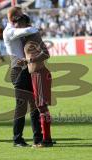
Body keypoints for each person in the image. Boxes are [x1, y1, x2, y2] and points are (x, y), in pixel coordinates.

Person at [3, 7, 42, 147]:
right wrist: (35, 28)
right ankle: (17, 139)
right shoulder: (9, 31)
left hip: (25, 69)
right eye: (20, 15)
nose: (22, 17)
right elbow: (27, 31)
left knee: (34, 105)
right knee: (21, 107)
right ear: (14, 18)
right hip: (18, 71)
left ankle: (38, 138)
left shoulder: (14, 29)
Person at [15, 14, 53, 147]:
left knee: (42, 107)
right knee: (41, 106)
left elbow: (46, 53)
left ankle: (47, 140)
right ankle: (46, 138)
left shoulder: (34, 36)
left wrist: (29, 60)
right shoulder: (25, 38)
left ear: (25, 23)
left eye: (18, 23)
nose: (16, 26)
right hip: (35, 74)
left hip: (40, 73)